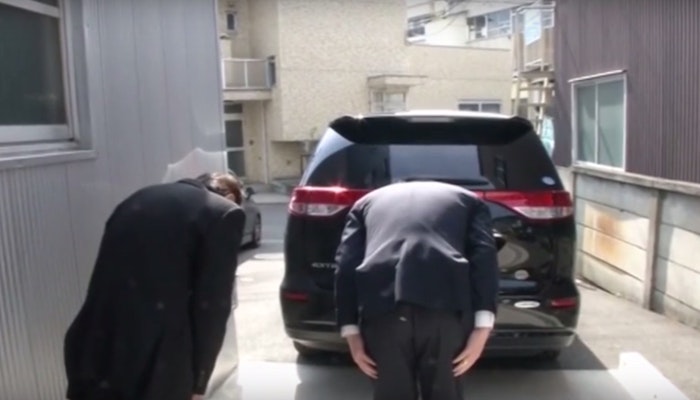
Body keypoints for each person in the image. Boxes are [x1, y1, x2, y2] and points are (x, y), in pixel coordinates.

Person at [63, 172, 247, 400]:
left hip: (93, 344)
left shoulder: (137, 198)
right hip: (157, 364)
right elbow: (212, 307)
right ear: (229, 196)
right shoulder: (223, 212)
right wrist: (199, 382)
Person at [334, 180, 500, 400]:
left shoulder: (364, 203)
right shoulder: (471, 202)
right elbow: (485, 259)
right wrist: (482, 328)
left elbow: (345, 266)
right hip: (446, 308)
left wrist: (351, 331)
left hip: (383, 309)